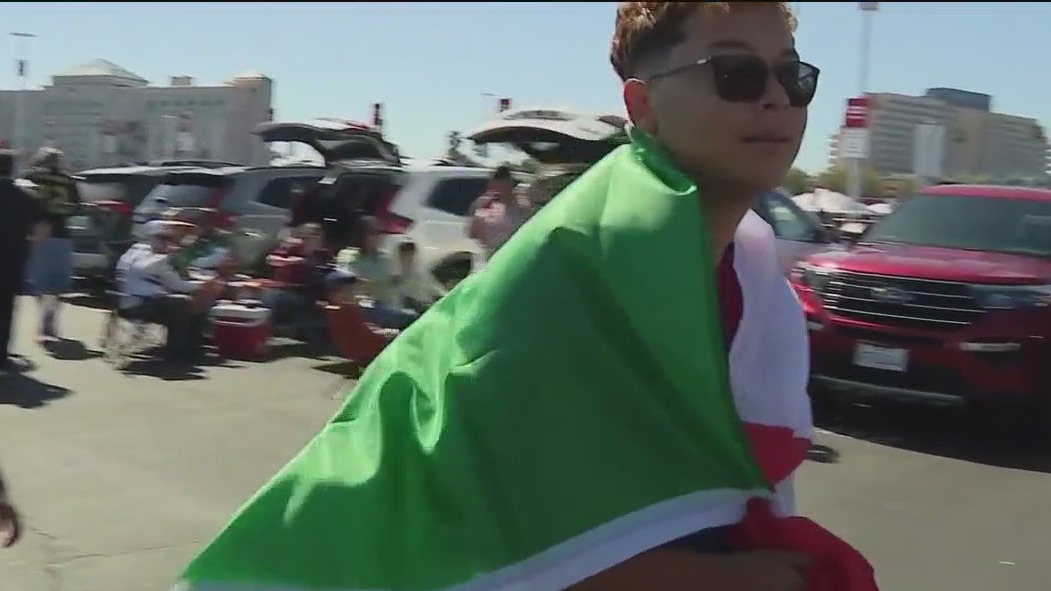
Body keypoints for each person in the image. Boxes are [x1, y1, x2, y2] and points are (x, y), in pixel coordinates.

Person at [173, 4, 875, 591]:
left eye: (792, 74)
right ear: (643, 104)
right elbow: (490, 532)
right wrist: (714, 577)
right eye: (736, 72)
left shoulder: (754, 283)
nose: (775, 97)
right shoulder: (579, 268)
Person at [115, 220, 211, 361]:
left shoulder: (136, 250)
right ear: (151, 237)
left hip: (124, 301)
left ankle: (190, 346)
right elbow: (177, 285)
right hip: (139, 304)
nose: (167, 242)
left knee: (184, 302)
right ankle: (177, 352)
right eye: (162, 238)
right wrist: (204, 285)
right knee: (183, 303)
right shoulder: (156, 259)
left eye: (169, 239)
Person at [24, 147, 81, 340]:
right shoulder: (67, 180)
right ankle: (51, 318)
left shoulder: (30, 177)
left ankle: (44, 315)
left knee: (39, 280)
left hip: (36, 233)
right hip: (61, 233)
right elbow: (75, 207)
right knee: (57, 283)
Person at [0, 150, 46, 373]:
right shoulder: (26, 197)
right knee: (5, 309)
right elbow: (41, 229)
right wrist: (27, 247)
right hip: (11, 261)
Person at [334, 217, 416, 329]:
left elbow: (394, 281)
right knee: (411, 318)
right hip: (365, 306)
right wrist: (376, 284)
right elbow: (352, 281)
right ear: (361, 235)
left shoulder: (384, 258)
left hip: (388, 305)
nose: (379, 237)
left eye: (381, 233)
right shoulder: (348, 255)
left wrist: (406, 265)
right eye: (374, 233)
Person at [465, 164, 532, 260]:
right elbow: (472, 234)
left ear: (510, 184)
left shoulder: (523, 207)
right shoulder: (486, 207)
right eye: (496, 185)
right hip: (494, 259)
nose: (499, 189)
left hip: (518, 258)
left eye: (503, 185)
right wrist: (476, 211)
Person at [390, 240, 430, 314]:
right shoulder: (393, 278)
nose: (409, 258)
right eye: (406, 254)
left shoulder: (420, 276)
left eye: (411, 254)